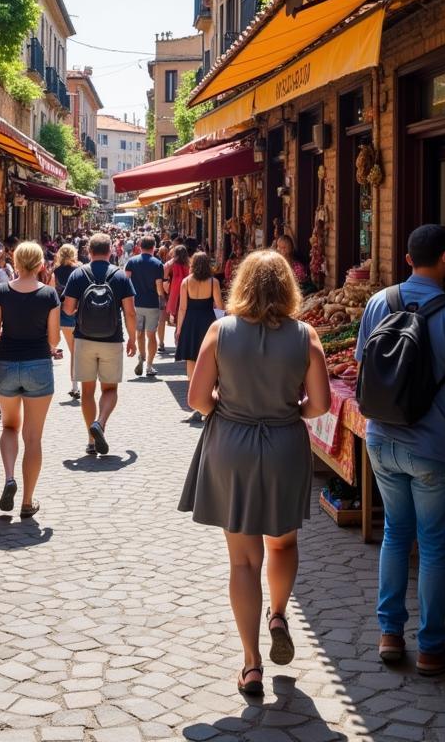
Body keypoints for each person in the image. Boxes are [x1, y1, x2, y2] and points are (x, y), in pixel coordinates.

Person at [178, 250, 330, 696]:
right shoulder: (306, 335)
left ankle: (251, 664)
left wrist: (224, 413)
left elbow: (196, 397)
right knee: (283, 541)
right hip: (284, 442)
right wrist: (289, 410)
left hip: (232, 442)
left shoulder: (220, 330)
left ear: (240, 285)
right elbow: (320, 405)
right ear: (289, 288)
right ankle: (279, 613)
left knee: (243, 559)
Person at [355, 224, 445, 675]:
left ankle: (389, 633)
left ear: (408, 259)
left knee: (396, 533)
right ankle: (432, 646)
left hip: (381, 440)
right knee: (433, 548)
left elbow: (364, 368)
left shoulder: (379, 303)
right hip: (434, 449)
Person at [0, 241, 60, 519]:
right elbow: (53, 340)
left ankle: (9, 477)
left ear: (15, 263)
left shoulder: (1, 291)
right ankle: (27, 501)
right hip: (39, 365)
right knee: (33, 437)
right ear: (42, 265)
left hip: (6, 363)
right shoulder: (49, 295)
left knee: (8, 427)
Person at [62, 232, 137, 456]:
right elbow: (130, 312)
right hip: (112, 340)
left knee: (87, 392)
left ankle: (90, 441)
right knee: (110, 389)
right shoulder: (120, 276)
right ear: (111, 251)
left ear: (89, 252)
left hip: (84, 338)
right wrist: (133, 338)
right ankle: (101, 423)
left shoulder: (78, 274)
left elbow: (67, 309)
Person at [175, 251, 223, 422]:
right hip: (208, 323)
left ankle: (195, 404)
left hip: (190, 324)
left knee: (191, 362)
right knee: (212, 362)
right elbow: (219, 306)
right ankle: (210, 399)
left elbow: (182, 308)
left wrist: (179, 329)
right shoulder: (213, 282)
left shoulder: (186, 282)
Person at [125, 235, 165, 377]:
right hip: (151, 303)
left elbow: (126, 281)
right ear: (154, 247)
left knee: (139, 333)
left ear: (140, 246)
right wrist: (162, 298)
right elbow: (159, 286)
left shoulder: (131, 262)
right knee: (151, 335)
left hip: (135, 303)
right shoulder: (157, 264)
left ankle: (141, 358)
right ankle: (149, 365)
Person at [54, 243, 81, 397]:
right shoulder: (78, 270)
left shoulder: (56, 272)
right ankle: (76, 385)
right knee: (76, 351)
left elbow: (52, 293)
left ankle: (75, 386)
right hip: (77, 312)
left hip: (62, 315)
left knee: (71, 350)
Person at [164, 244, 190, 329]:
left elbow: (165, 270)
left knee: (177, 312)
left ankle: (178, 332)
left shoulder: (171, 263)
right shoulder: (189, 263)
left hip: (175, 291)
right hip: (187, 290)